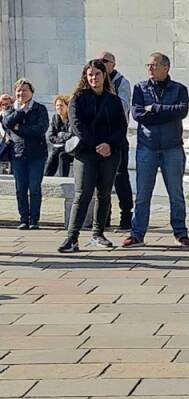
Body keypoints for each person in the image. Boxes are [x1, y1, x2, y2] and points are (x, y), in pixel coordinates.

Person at [123, 52, 189, 248]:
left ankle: (181, 233)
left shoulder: (179, 89)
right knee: (143, 193)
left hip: (172, 147)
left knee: (176, 194)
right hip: (147, 146)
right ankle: (137, 233)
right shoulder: (140, 88)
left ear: (166, 67)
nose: (150, 68)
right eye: (148, 65)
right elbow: (137, 114)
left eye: (154, 65)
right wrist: (163, 112)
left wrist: (154, 108)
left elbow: (181, 111)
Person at [59, 60, 127, 252]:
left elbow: (121, 126)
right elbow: (77, 125)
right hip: (86, 153)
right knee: (82, 194)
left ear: (104, 76)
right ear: (85, 77)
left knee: (104, 194)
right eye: (90, 74)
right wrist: (96, 144)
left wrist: (109, 144)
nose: (93, 78)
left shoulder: (113, 100)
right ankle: (72, 237)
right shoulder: (78, 98)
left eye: (97, 74)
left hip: (110, 153)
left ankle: (99, 232)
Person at [1, 80, 49, 230]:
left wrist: (19, 127)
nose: (21, 93)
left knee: (34, 188)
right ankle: (24, 219)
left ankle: (34, 219)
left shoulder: (39, 109)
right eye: (19, 91)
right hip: (17, 154)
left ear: (31, 92)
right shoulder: (10, 109)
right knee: (20, 188)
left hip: (37, 155)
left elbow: (40, 130)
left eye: (25, 90)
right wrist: (21, 111)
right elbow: (7, 123)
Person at [97, 52, 134, 229]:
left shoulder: (121, 82)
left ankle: (126, 216)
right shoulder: (94, 82)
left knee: (120, 177)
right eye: (99, 61)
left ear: (113, 63)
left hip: (117, 137)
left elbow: (124, 107)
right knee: (101, 179)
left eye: (105, 61)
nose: (101, 64)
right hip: (99, 137)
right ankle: (104, 217)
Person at [45, 94, 74, 177]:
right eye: (57, 105)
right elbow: (50, 136)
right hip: (59, 148)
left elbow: (72, 135)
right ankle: (46, 178)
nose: (59, 107)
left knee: (62, 155)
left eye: (61, 105)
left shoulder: (72, 118)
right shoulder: (55, 118)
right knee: (54, 154)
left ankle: (63, 179)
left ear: (67, 106)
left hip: (72, 149)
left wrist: (60, 134)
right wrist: (62, 139)